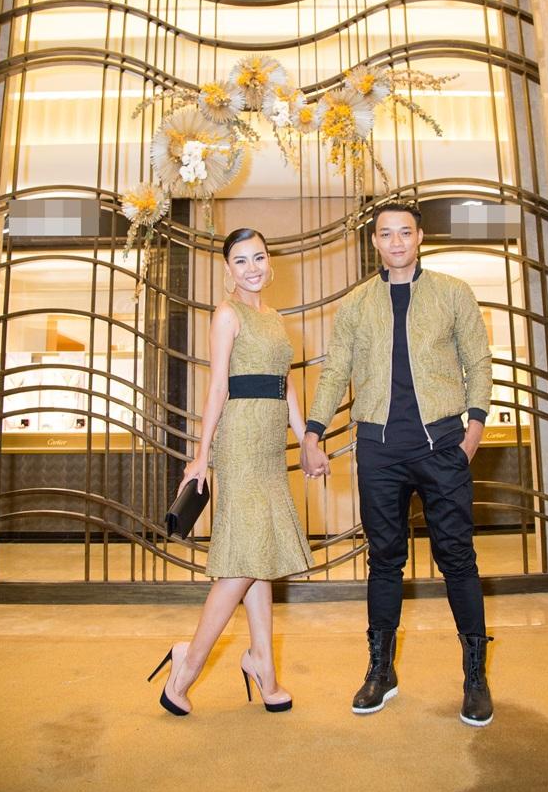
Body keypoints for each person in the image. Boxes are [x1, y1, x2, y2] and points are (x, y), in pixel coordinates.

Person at [301, 199, 494, 727]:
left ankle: (475, 677)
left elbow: (478, 361)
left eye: (405, 232)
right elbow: (336, 369)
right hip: (380, 449)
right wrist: (314, 431)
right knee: (384, 560)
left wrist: (474, 429)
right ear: (375, 242)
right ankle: (381, 670)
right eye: (386, 234)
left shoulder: (453, 293)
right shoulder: (357, 303)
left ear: (420, 236)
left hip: (443, 444)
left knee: (457, 557)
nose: (396, 242)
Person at [148, 227, 313, 716]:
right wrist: (202, 455)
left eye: (258, 257)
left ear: (269, 260)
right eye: (241, 261)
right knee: (243, 560)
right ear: (228, 270)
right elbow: (217, 386)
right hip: (239, 442)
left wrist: (306, 438)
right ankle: (187, 666)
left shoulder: (276, 319)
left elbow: (285, 385)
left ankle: (262, 664)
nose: (252, 268)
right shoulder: (226, 314)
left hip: (270, 445)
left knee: (258, 555)